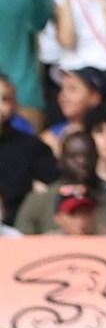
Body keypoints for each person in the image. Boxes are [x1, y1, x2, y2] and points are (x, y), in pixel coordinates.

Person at [0, 73, 58, 226]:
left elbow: (56, 188)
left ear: (15, 105)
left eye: (4, 99)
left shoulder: (33, 147)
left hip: (21, 233)